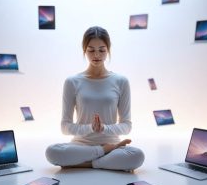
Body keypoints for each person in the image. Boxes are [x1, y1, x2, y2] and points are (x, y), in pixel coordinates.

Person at [45, 26, 144, 171]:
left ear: (108, 50)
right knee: (52, 152)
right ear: (84, 50)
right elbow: (65, 127)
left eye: (102, 50)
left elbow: (127, 126)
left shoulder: (121, 81)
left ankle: (86, 164)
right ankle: (103, 155)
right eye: (91, 50)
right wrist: (90, 128)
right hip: (81, 145)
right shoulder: (72, 81)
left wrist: (104, 128)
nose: (96, 55)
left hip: (112, 144)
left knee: (137, 155)